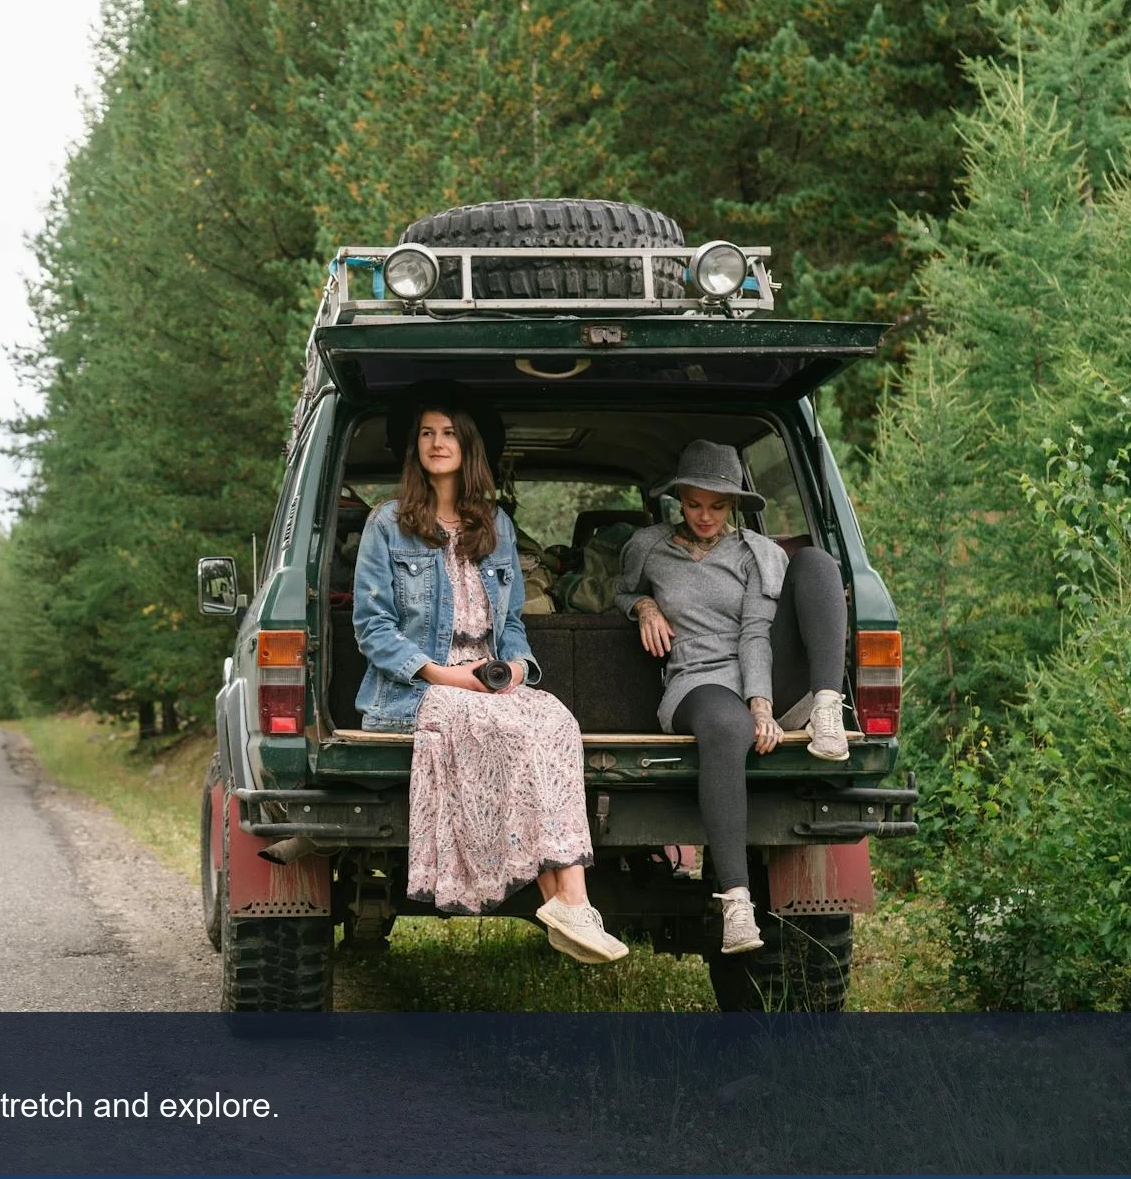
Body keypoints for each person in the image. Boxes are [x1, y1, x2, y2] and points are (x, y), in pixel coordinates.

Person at [354, 395, 628, 964]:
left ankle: (567, 902)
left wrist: (520, 669)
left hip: (489, 678)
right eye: (426, 433)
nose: (437, 442)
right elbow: (371, 628)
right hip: (417, 687)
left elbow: (509, 624)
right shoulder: (386, 523)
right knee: (502, 732)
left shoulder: (495, 523)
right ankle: (571, 904)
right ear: (416, 448)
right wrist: (447, 676)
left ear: (467, 446)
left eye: (449, 432)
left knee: (554, 721)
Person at [613, 439, 851, 956]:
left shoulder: (758, 554)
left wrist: (761, 704)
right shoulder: (648, 546)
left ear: (736, 505)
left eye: (718, 506)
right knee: (727, 728)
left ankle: (827, 707)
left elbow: (755, 635)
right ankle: (737, 905)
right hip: (697, 680)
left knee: (816, 563)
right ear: (678, 499)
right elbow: (620, 591)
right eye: (694, 504)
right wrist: (645, 608)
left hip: (757, 670)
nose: (704, 516)